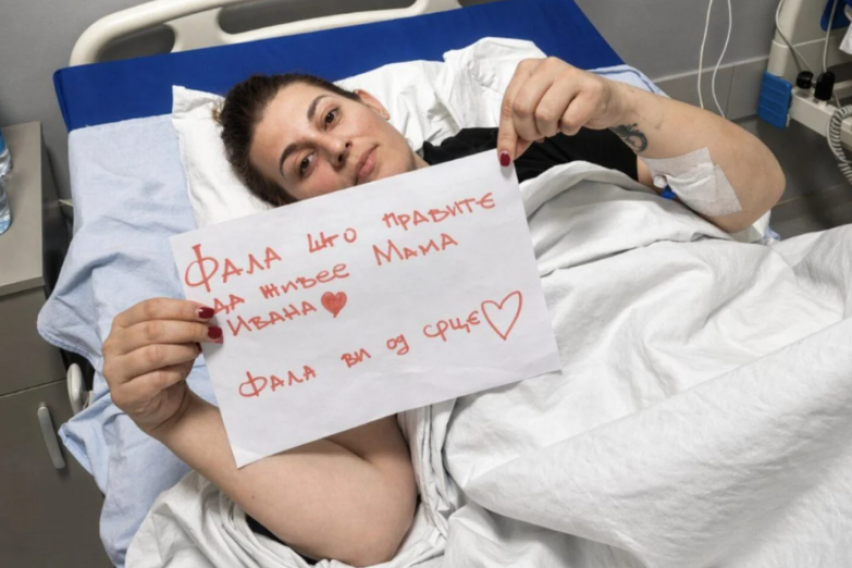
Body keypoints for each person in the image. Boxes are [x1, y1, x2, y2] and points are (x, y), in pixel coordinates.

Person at [102, 57, 785, 567]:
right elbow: (373, 524)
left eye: (330, 118)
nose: (334, 148)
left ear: (372, 104)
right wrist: (175, 417)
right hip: (572, 445)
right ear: (290, 211)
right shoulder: (317, 295)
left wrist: (622, 102)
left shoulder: (529, 146)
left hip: (723, 325)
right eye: (302, 165)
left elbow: (752, 197)